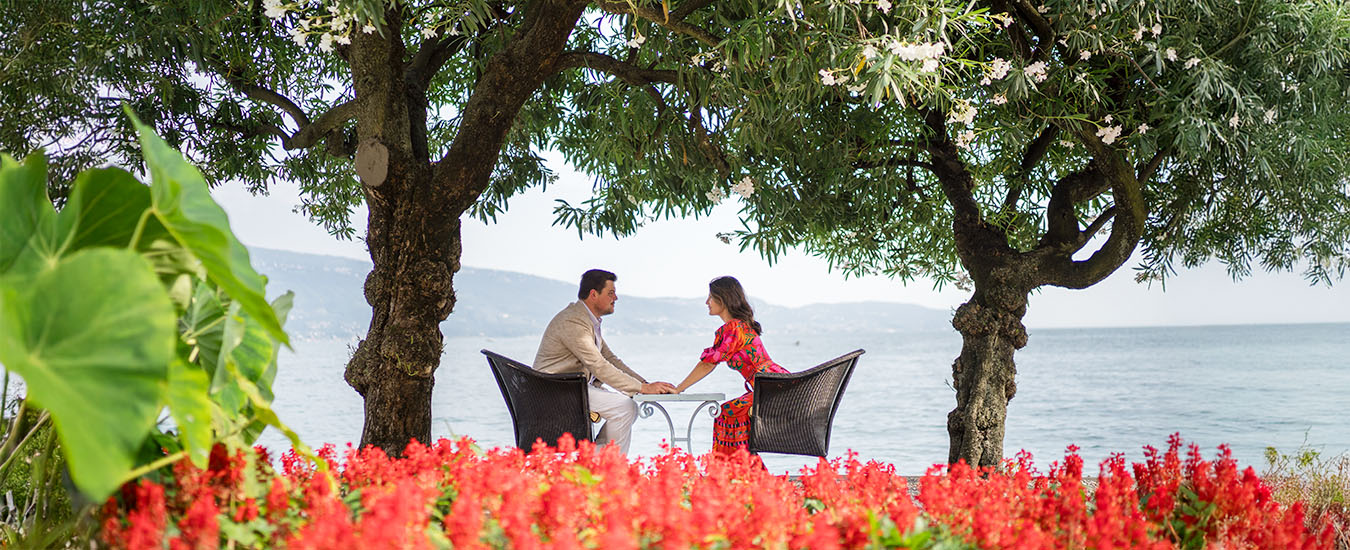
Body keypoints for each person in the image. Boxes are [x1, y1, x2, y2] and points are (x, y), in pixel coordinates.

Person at [533, 269, 677, 455]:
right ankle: (597, 463)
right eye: (610, 293)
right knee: (625, 407)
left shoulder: (586, 320)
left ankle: (599, 463)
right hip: (556, 392)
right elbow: (598, 365)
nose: (616, 298)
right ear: (593, 294)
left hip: (570, 388)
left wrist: (644, 384)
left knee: (626, 408)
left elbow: (609, 359)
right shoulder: (574, 322)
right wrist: (642, 389)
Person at [674, 276, 788, 455]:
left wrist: (679, 388)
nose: (707, 302)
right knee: (728, 413)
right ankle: (743, 472)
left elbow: (709, 363)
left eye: (710, 297)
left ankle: (734, 473)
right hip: (772, 385)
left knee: (725, 414)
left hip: (769, 388)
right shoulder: (740, 327)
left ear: (723, 299)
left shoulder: (734, 329)